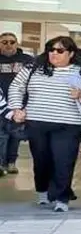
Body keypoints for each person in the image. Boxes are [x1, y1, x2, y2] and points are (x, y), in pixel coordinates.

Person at [7, 36, 81, 211]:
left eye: (59, 50)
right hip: (37, 123)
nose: (54, 54)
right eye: (51, 49)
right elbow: (16, 87)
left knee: (63, 161)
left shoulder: (80, 72)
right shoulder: (33, 68)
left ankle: (62, 199)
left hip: (67, 125)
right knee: (42, 161)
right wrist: (16, 109)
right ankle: (43, 192)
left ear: (71, 53)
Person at [0, 31, 32, 174]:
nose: (8, 45)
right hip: (0, 106)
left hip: (19, 106)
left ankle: (11, 162)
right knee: (1, 136)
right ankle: (1, 164)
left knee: (15, 136)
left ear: (17, 43)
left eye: (12, 42)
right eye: (4, 42)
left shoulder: (27, 60)